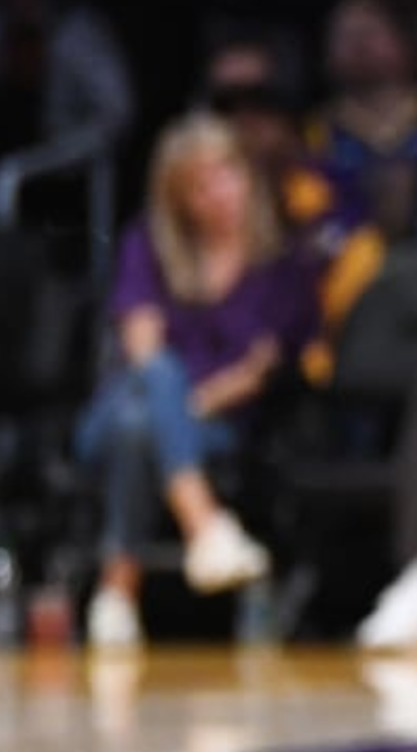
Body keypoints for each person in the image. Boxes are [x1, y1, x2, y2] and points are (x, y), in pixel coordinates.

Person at [77, 114, 312, 648]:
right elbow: (143, 351)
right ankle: (204, 524)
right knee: (151, 381)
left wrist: (180, 412)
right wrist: (177, 407)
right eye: (200, 186)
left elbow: (257, 373)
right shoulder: (147, 245)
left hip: (218, 426)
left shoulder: (278, 264)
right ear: (177, 199)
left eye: (227, 175)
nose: (219, 194)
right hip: (111, 413)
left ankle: (117, 589)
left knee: (140, 425)